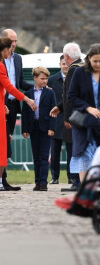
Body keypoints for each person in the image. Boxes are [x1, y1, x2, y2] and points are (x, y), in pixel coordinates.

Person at [0, 38, 36, 191]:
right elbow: (9, 87)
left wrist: (1, 103)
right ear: (5, 49)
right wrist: (27, 99)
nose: (11, 51)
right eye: (10, 48)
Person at [50, 42, 82, 192]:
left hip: (75, 117)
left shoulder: (72, 70)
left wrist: (67, 118)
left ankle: (76, 180)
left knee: (74, 149)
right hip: (84, 114)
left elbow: (69, 96)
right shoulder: (84, 67)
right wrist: (59, 106)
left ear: (67, 57)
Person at [67, 43, 100, 182]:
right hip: (83, 121)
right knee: (83, 154)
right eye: (95, 61)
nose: (98, 64)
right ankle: (84, 188)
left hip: (98, 122)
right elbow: (72, 96)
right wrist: (88, 107)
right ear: (88, 59)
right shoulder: (79, 73)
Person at [22, 67, 57, 191]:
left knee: (43, 156)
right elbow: (25, 113)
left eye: (46, 78)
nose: (45, 81)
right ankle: (37, 181)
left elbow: (54, 111)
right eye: (42, 78)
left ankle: (43, 182)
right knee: (36, 156)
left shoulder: (50, 93)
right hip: (33, 127)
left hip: (45, 127)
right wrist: (24, 129)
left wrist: (52, 127)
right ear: (35, 78)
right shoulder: (28, 94)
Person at [48, 55, 72, 184]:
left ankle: (71, 177)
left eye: (67, 64)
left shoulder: (74, 79)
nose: (65, 66)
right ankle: (54, 177)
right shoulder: (52, 80)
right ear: (59, 65)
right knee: (55, 151)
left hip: (69, 119)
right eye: (63, 64)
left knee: (71, 151)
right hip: (56, 119)